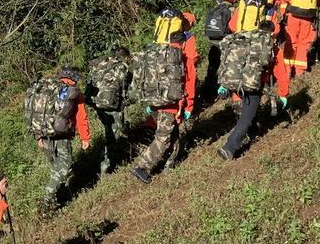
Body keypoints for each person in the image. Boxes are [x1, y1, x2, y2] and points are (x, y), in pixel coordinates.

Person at [131, 14, 197, 184]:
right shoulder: (182, 59)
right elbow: (189, 83)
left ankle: (170, 166)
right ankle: (142, 166)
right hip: (171, 104)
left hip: (153, 101)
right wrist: (188, 106)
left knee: (173, 135)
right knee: (163, 136)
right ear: (183, 42)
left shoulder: (157, 55)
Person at [24, 67, 91, 210]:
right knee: (65, 165)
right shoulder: (72, 92)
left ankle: (57, 198)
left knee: (56, 166)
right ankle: (48, 197)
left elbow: (35, 113)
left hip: (44, 134)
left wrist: (38, 136)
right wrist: (85, 138)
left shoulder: (45, 89)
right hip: (62, 136)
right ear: (73, 78)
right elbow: (81, 117)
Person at [215, 16, 277, 161]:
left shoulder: (246, 37)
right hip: (251, 85)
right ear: (271, 32)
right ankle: (229, 148)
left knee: (250, 111)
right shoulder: (266, 42)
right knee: (246, 118)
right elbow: (266, 63)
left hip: (234, 81)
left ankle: (255, 132)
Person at [86, 46, 133, 175]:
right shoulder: (122, 66)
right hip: (112, 105)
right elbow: (124, 88)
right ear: (126, 56)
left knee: (109, 130)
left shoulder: (102, 63)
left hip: (97, 104)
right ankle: (107, 165)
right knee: (113, 134)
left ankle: (109, 160)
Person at [280, 0, 320, 85]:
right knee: (304, 43)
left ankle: (288, 71)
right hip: (308, 16)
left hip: (293, 15)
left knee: (291, 42)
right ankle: (300, 71)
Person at [201, 0, 237, 104]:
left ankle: (207, 90)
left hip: (212, 41)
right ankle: (223, 90)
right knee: (225, 65)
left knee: (212, 65)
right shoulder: (233, 10)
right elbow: (234, 26)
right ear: (234, 0)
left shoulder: (216, 8)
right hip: (224, 41)